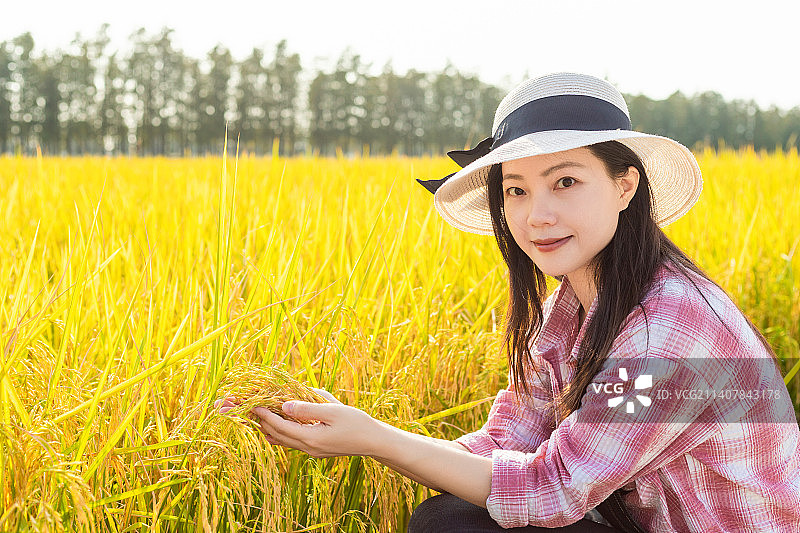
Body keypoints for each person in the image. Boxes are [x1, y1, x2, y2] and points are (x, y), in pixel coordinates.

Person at [216, 73, 800, 532]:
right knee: (452, 517)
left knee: (454, 525)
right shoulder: (575, 305)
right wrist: (355, 432)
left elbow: (555, 488)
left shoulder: (667, 328)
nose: (536, 214)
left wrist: (375, 439)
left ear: (625, 186)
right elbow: (508, 443)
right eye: (516, 191)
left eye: (565, 182)